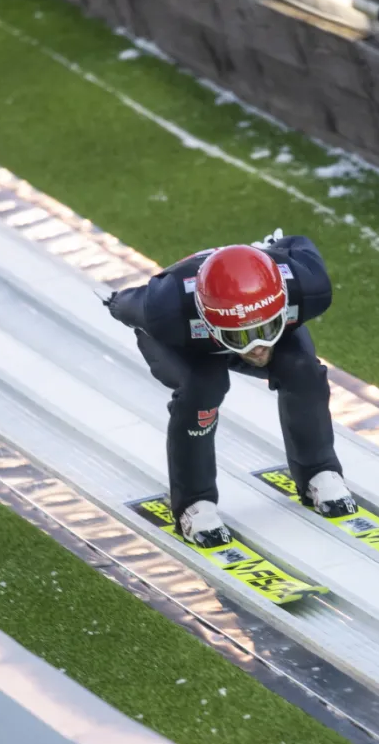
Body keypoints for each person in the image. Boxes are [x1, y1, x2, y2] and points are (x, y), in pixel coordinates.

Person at [103, 229, 357, 547]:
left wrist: (270, 250)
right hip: (191, 341)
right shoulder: (166, 310)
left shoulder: (308, 285)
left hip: (218, 324)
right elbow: (131, 304)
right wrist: (115, 303)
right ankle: (194, 504)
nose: (257, 348)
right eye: (242, 336)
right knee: (202, 387)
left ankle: (318, 471)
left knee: (303, 370)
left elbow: (296, 241)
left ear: (284, 305)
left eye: (266, 329)